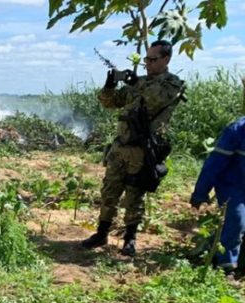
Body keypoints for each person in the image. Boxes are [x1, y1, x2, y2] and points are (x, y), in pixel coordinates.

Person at [81, 40, 184, 257]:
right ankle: (101, 233)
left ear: (166, 60)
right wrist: (110, 85)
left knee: (134, 195)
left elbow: (155, 99)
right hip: (120, 147)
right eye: (146, 59)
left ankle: (130, 238)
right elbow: (110, 102)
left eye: (153, 59)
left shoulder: (172, 84)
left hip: (142, 149)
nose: (147, 63)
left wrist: (136, 81)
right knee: (109, 190)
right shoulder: (140, 82)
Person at [190, 113, 245, 277]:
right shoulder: (236, 130)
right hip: (233, 186)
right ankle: (226, 267)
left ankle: (212, 246)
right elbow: (214, 165)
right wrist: (200, 192)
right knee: (236, 221)